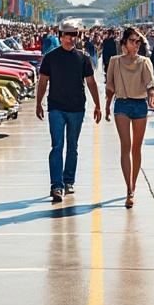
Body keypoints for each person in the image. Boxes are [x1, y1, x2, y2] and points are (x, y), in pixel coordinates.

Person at [36, 19, 102, 203]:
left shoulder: (83, 58)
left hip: (76, 108)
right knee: (57, 146)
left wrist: (97, 105)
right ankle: (56, 185)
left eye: (75, 35)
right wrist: (38, 103)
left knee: (72, 146)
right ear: (60, 36)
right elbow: (43, 81)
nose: (71, 39)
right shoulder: (50, 57)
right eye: (68, 35)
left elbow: (91, 82)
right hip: (56, 107)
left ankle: (68, 181)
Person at [105, 27, 154, 208]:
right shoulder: (115, 61)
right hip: (121, 104)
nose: (136, 45)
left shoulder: (144, 62)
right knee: (125, 146)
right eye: (132, 41)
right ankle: (128, 188)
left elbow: (150, 82)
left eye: (138, 42)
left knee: (136, 148)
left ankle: (133, 185)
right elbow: (110, 87)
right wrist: (106, 106)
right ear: (124, 44)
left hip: (139, 105)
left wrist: (152, 96)